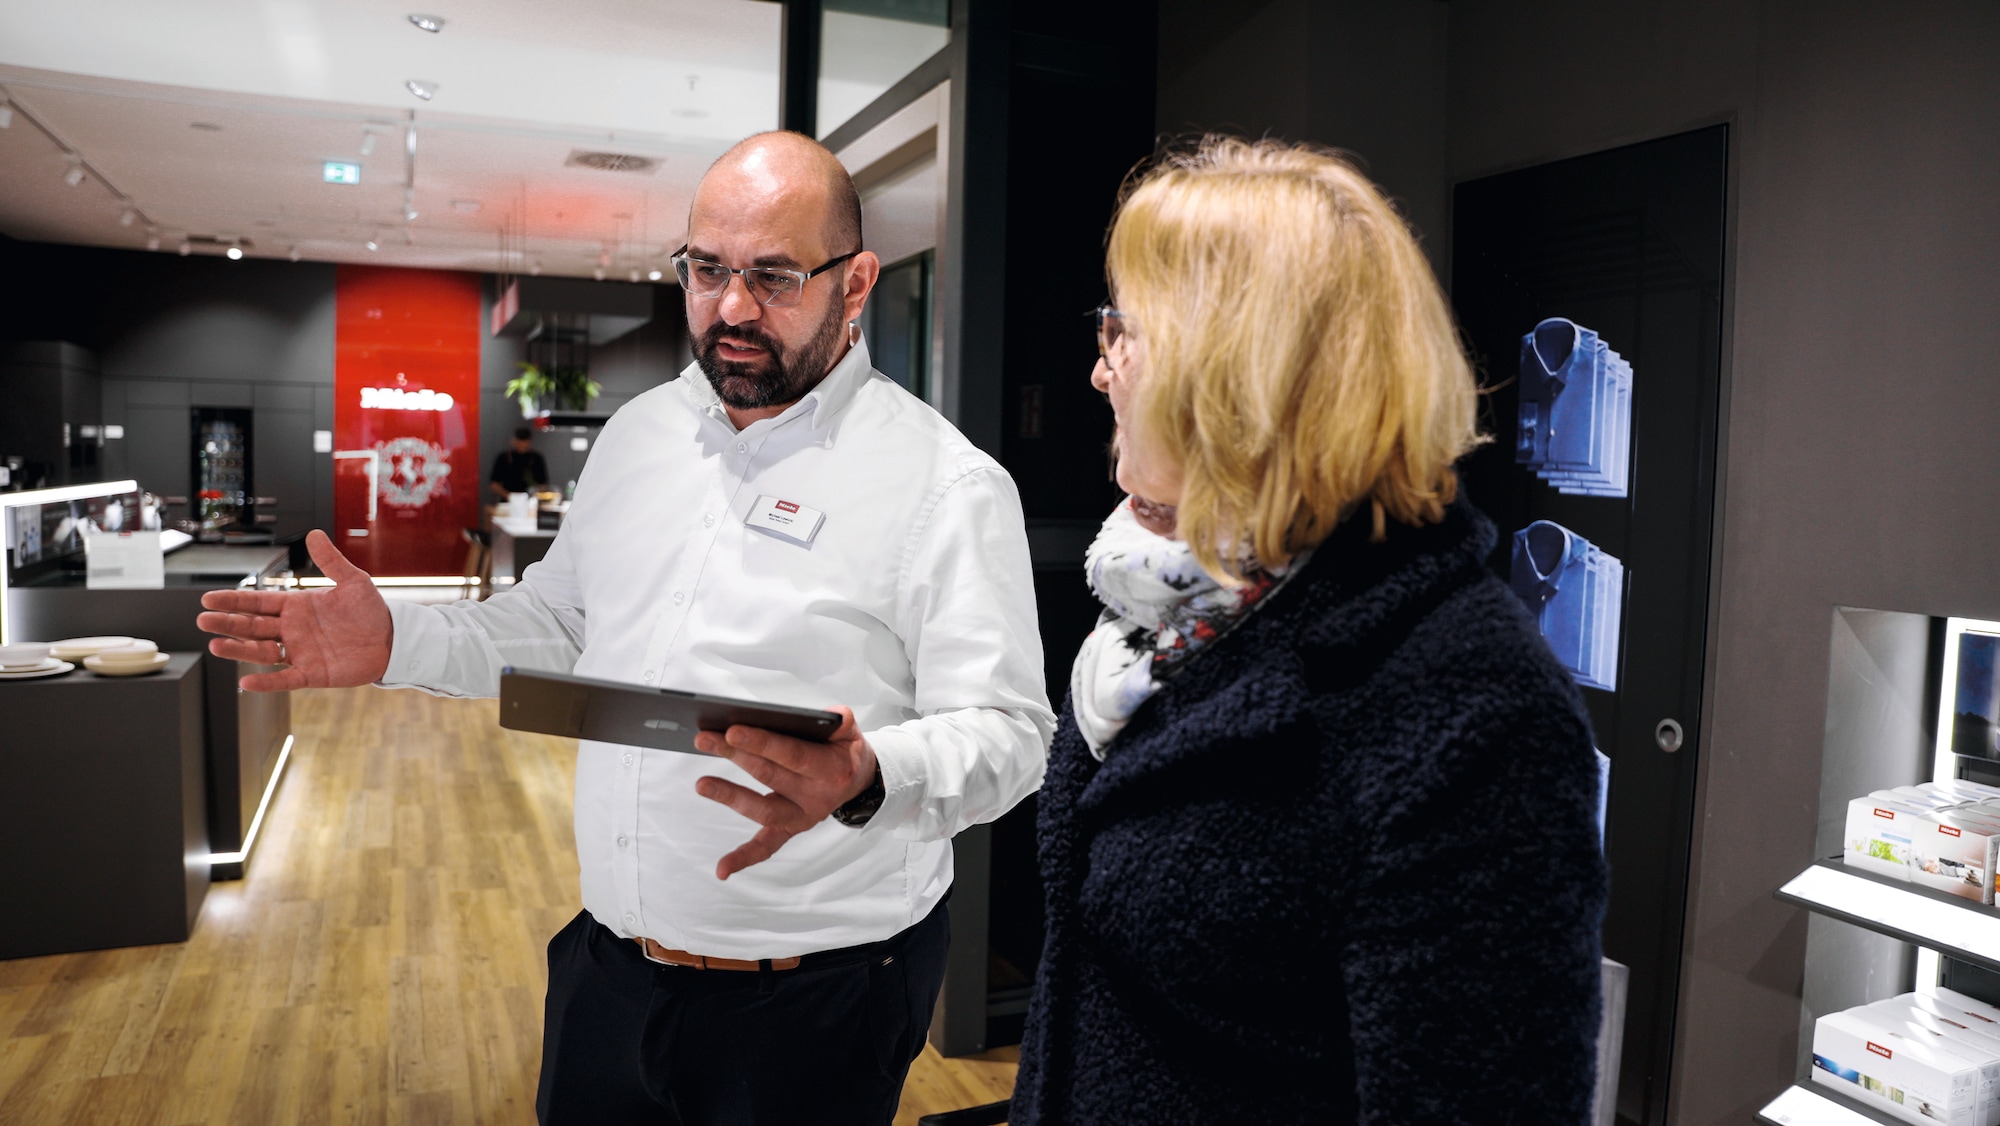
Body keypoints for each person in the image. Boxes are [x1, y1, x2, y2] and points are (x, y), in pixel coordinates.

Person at [198, 131, 1053, 1125]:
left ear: (855, 284)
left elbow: (1008, 731)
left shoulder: (943, 485)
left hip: (815, 999)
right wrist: (399, 639)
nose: (731, 307)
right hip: (607, 967)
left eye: (773, 275)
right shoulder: (640, 436)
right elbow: (561, 627)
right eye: (706, 269)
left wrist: (868, 776)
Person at [1011, 137, 1609, 1123]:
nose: (1098, 369)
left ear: (1233, 370)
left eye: (1124, 332)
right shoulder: (1174, 604)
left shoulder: (1473, 707)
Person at [489, 426, 549, 500]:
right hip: (508, 501)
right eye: (519, 443)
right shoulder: (503, 458)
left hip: (530, 500)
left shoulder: (536, 458)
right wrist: (510, 497)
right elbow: (494, 484)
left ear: (530, 442)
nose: (522, 446)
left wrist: (535, 496)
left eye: (525, 443)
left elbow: (543, 484)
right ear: (513, 441)